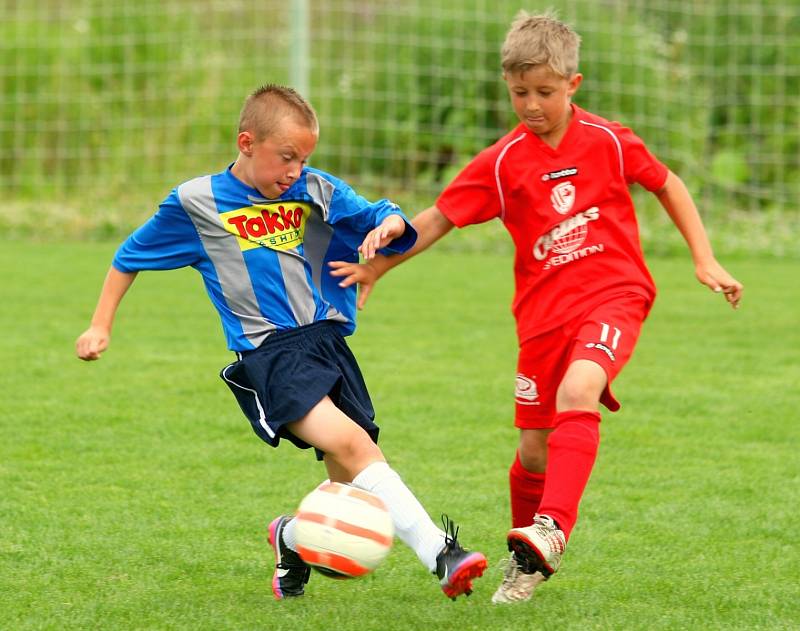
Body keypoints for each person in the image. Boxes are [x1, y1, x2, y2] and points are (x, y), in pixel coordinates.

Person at [329, 12, 744, 605]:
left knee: (581, 389)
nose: (531, 104)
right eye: (519, 92)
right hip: (542, 318)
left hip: (615, 293)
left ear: (573, 86)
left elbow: (668, 183)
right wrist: (377, 266)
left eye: (544, 92)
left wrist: (705, 259)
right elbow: (438, 219)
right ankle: (525, 562)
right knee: (532, 449)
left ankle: (552, 529)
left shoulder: (607, 140)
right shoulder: (501, 163)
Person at [75, 84, 487, 601]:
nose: (294, 170)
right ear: (247, 142)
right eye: (286, 157)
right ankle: (442, 554)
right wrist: (100, 324)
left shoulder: (313, 188)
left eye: (303, 158)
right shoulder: (195, 203)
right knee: (356, 447)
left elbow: (382, 213)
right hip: (270, 356)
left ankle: (289, 537)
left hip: (327, 345)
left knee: (346, 486)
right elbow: (128, 256)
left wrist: (387, 226)